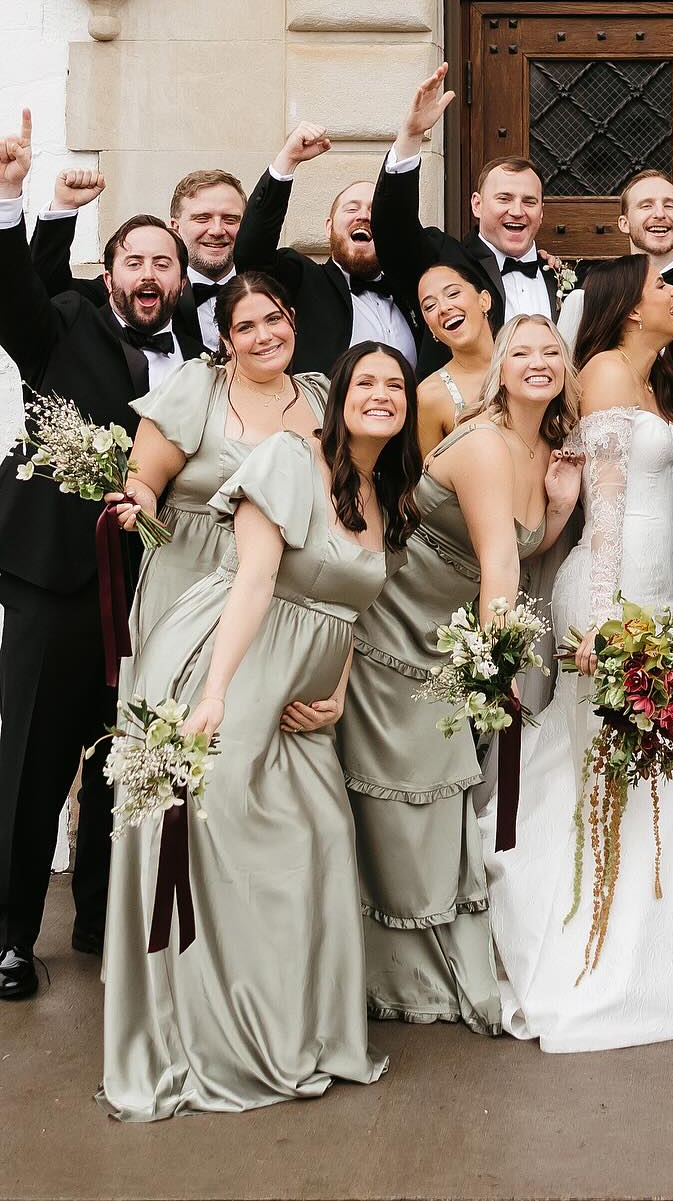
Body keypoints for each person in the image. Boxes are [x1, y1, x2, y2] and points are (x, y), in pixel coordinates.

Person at [100, 344, 420, 1119]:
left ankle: (297, 1027)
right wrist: (213, 694)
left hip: (302, 691)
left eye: (396, 384)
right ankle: (219, 1039)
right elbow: (253, 579)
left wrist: (336, 691)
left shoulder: (383, 492)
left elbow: (349, 607)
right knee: (227, 834)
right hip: (232, 658)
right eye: (365, 382)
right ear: (338, 395)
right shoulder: (288, 457)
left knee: (322, 833)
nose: (381, 393)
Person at [486, 256, 673, 1050]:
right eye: (666, 284)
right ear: (627, 305)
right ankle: (606, 946)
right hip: (616, 596)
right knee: (616, 773)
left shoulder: (657, 377)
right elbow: (610, 507)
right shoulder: (606, 373)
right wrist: (602, 618)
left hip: (665, 597)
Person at [0, 110, 204, 1004]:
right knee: (34, 761)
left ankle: (100, 919)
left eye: (164, 262)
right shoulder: (62, 324)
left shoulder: (204, 350)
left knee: (132, 757)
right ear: (110, 271)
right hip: (56, 577)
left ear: (182, 278)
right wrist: (19, 197)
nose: (149, 274)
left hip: (161, 585)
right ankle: (10, 936)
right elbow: (12, 295)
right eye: (135, 261)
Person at [336, 312, 581, 1033]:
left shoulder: (545, 448)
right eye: (521, 352)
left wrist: (561, 508)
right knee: (408, 795)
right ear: (499, 368)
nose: (537, 362)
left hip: (449, 636)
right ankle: (400, 974)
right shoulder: (482, 443)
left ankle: (430, 958)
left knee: (444, 796)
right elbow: (500, 565)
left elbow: (521, 548)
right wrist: (498, 666)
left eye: (551, 351)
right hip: (395, 628)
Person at [107, 274, 329, 652]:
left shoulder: (322, 397)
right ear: (226, 340)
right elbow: (142, 482)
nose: (264, 336)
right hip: (190, 578)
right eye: (246, 327)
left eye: (274, 319)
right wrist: (139, 503)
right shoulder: (198, 387)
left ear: (292, 319)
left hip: (284, 596)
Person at [370, 66, 560, 338]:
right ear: (477, 205)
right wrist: (411, 137)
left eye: (529, 202)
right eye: (504, 198)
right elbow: (393, 231)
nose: (517, 211)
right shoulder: (443, 259)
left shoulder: (560, 275)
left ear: (541, 212)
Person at [233, 121, 419, 374]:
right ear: (329, 227)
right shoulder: (303, 280)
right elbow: (251, 256)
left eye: (375, 211)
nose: (363, 216)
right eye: (352, 208)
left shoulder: (413, 291)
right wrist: (287, 161)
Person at [31, 166, 249, 354]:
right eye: (202, 218)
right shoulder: (127, 288)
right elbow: (47, 290)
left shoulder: (264, 284)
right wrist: (64, 208)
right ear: (176, 228)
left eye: (230, 219)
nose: (217, 230)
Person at [557, 169, 673, 351]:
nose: (660, 214)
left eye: (669, 206)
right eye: (646, 206)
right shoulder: (593, 292)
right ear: (624, 223)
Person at [413, 262, 495, 454]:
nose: (443, 308)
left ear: (484, 300)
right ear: (430, 328)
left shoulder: (526, 365)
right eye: (430, 306)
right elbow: (429, 472)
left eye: (453, 293)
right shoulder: (429, 395)